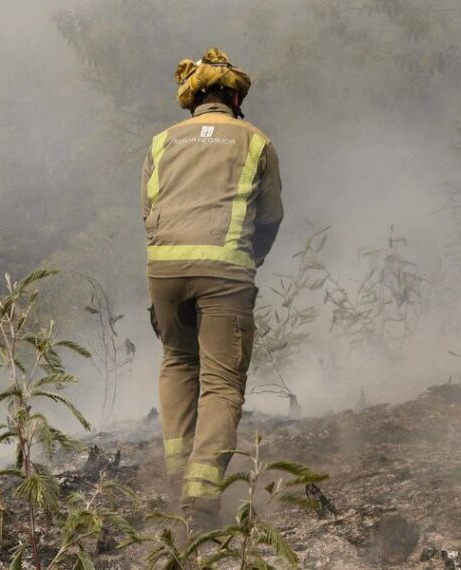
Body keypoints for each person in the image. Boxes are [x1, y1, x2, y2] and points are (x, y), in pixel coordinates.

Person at [141, 47, 283, 529]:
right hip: (224, 274)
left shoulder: (162, 142)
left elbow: (149, 212)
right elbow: (270, 218)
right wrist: (249, 261)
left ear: (194, 99)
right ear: (234, 97)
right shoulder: (255, 140)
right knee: (221, 385)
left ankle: (178, 474)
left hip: (164, 272)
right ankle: (200, 502)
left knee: (178, 361)